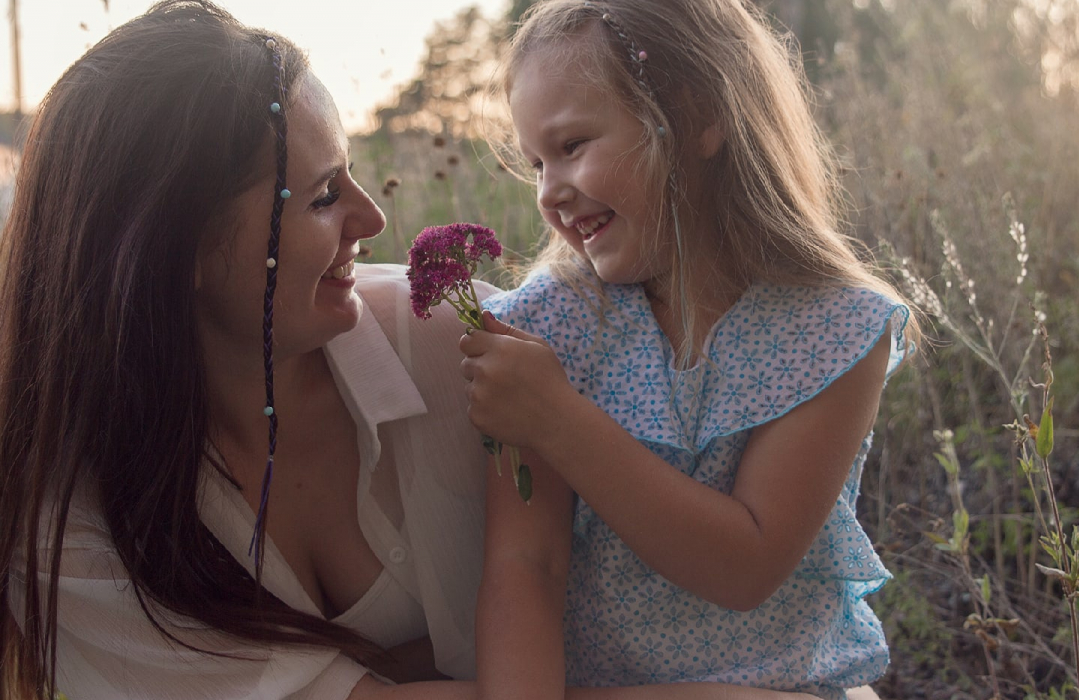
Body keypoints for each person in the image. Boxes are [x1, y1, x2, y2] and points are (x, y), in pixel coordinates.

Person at [0, 3, 822, 700]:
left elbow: (715, 535)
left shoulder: (468, 349)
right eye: (323, 196)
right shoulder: (71, 532)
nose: (372, 220)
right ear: (182, 250)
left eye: (353, 176)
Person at [460, 1, 921, 699]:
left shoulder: (832, 328)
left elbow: (746, 565)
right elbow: (528, 565)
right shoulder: (547, 327)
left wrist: (555, 417)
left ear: (697, 115)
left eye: (573, 145)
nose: (550, 194)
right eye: (535, 163)